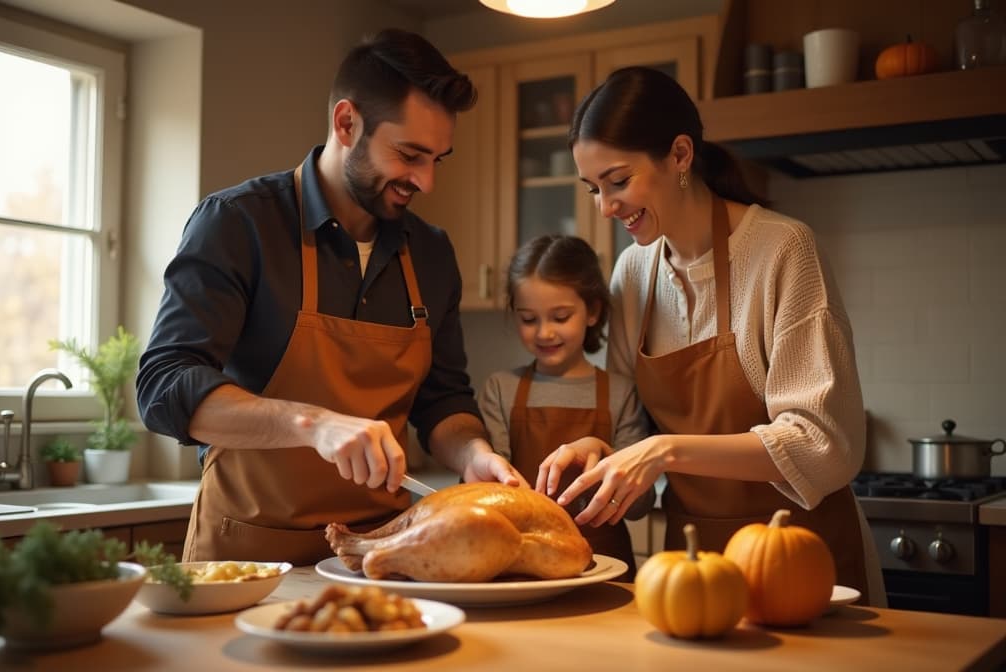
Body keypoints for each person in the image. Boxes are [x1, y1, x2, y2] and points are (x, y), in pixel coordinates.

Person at [136, 28, 523, 566]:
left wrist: (474, 453)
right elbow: (163, 386)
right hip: (245, 561)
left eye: (438, 159)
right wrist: (315, 425)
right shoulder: (239, 224)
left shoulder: (431, 253)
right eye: (410, 155)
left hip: (381, 558)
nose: (426, 182)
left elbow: (443, 402)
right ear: (347, 123)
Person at [537, 66, 885, 604]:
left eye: (619, 181)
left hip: (803, 564)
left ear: (680, 155)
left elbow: (824, 446)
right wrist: (601, 454)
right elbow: (637, 445)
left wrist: (665, 451)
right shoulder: (633, 273)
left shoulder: (783, 250)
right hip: (691, 566)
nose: (605, 207)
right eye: (593, 189)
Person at [479, 234, 655, 580]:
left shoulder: (621, 392)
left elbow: (642, 506)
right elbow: (486, 490)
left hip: (607, 570)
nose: (544, 333)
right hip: (520, 569)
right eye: (528, 319)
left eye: (560, 317)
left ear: (592, 311)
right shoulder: (501, 389)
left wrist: (607, 461)